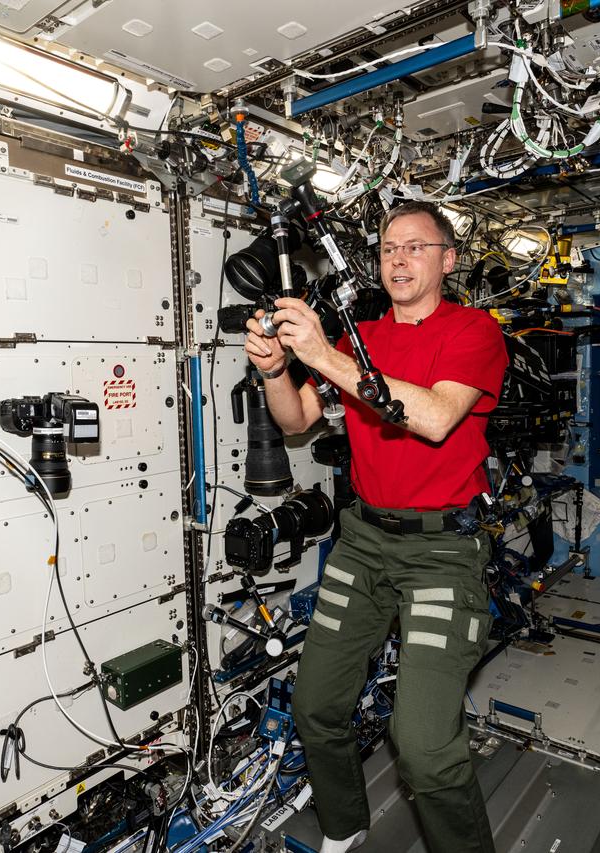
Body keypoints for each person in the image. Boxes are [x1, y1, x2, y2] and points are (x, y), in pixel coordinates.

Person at [244, 200, 508, 853]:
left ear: (448, 260)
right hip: (363, 543)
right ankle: (344, 824)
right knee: (315, 705)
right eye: (389, 248)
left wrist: (322, 355)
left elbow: (435, 418)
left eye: (416, 247)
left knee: (423, 747)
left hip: (442, 550)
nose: (399, 259)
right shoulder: (358, 339)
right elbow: (296, 420)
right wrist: (276, 370)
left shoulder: (473, 331)